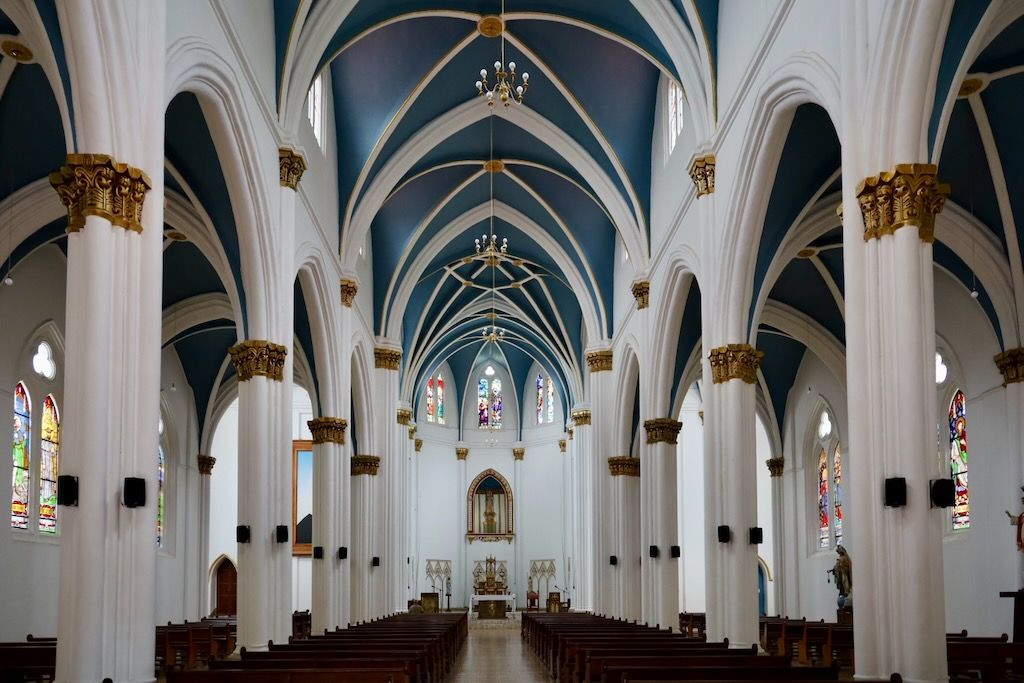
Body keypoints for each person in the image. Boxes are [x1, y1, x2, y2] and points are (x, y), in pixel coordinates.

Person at [830, 545, 852, 609]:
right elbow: (836, 566)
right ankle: (842, 593)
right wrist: (833, 569)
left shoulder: (845, 558)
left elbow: (847, 567)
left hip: (844, 574)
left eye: (839, 552)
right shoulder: (839, 558)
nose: (839, 554)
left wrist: (842, 566)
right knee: (841, 585)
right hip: (840, 575)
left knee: (845, 584)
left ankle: (846, 592)